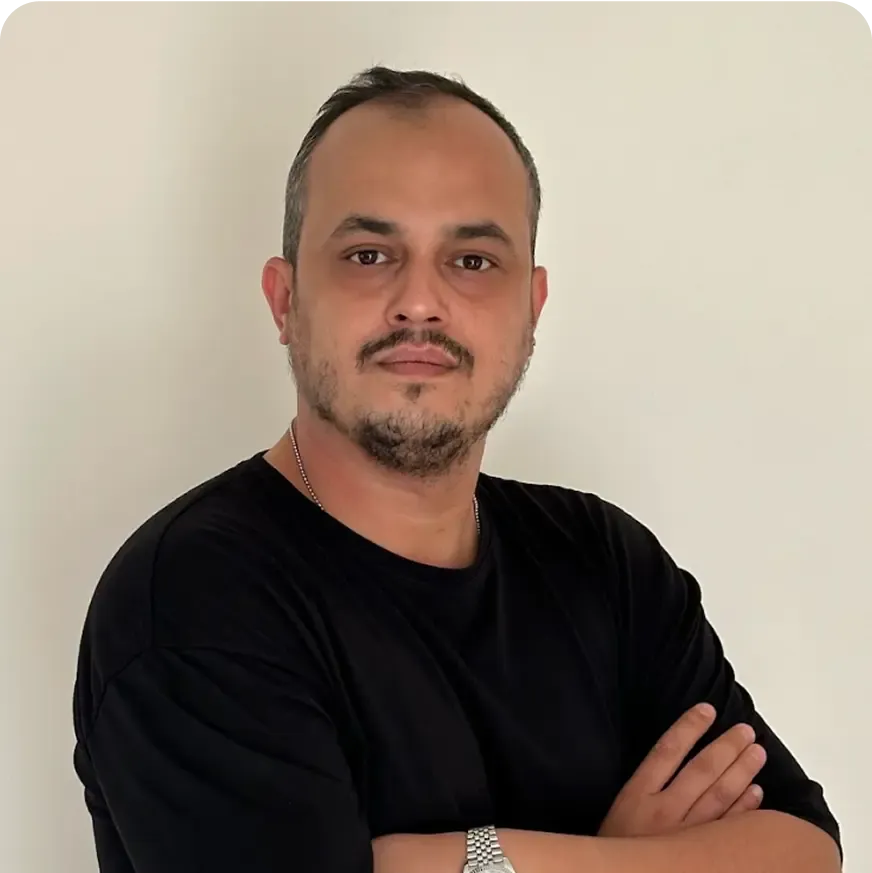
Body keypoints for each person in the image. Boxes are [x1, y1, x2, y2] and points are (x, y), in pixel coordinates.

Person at [72, 66, 841, 873]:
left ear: (531, 309)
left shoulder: (606, 562)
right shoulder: (193, 598)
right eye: (369, 254)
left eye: (472, 260)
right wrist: (627, 857)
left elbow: (805, 854)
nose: (419, 302)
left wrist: (477, 858)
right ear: (284, 300)